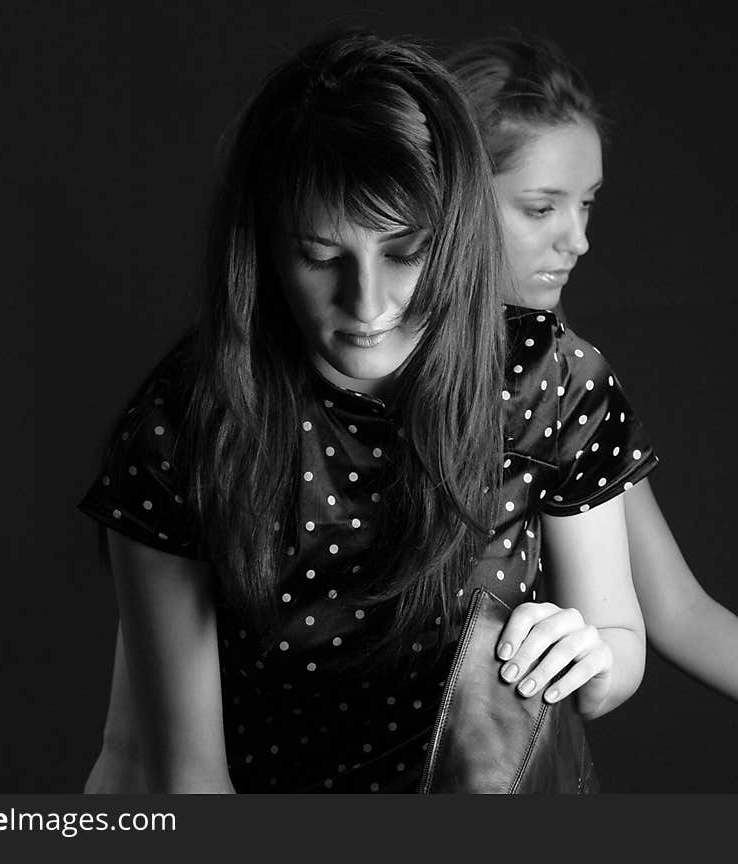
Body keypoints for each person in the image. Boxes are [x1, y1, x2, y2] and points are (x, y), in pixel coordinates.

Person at [78, 30, 653, 794]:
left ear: (453, 235)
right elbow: (190, 778)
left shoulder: (549, 378)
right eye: (321, 257)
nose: (369, 304)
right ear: (262, 249)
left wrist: (591, 653)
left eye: (407, 251)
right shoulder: (183, 421)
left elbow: (620, 641)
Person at [448, 33, 738, 701]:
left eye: (588, 203)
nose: (578, 240)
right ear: (449, 194)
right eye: (541, 207)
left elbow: (677, 612)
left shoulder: (560, 381)